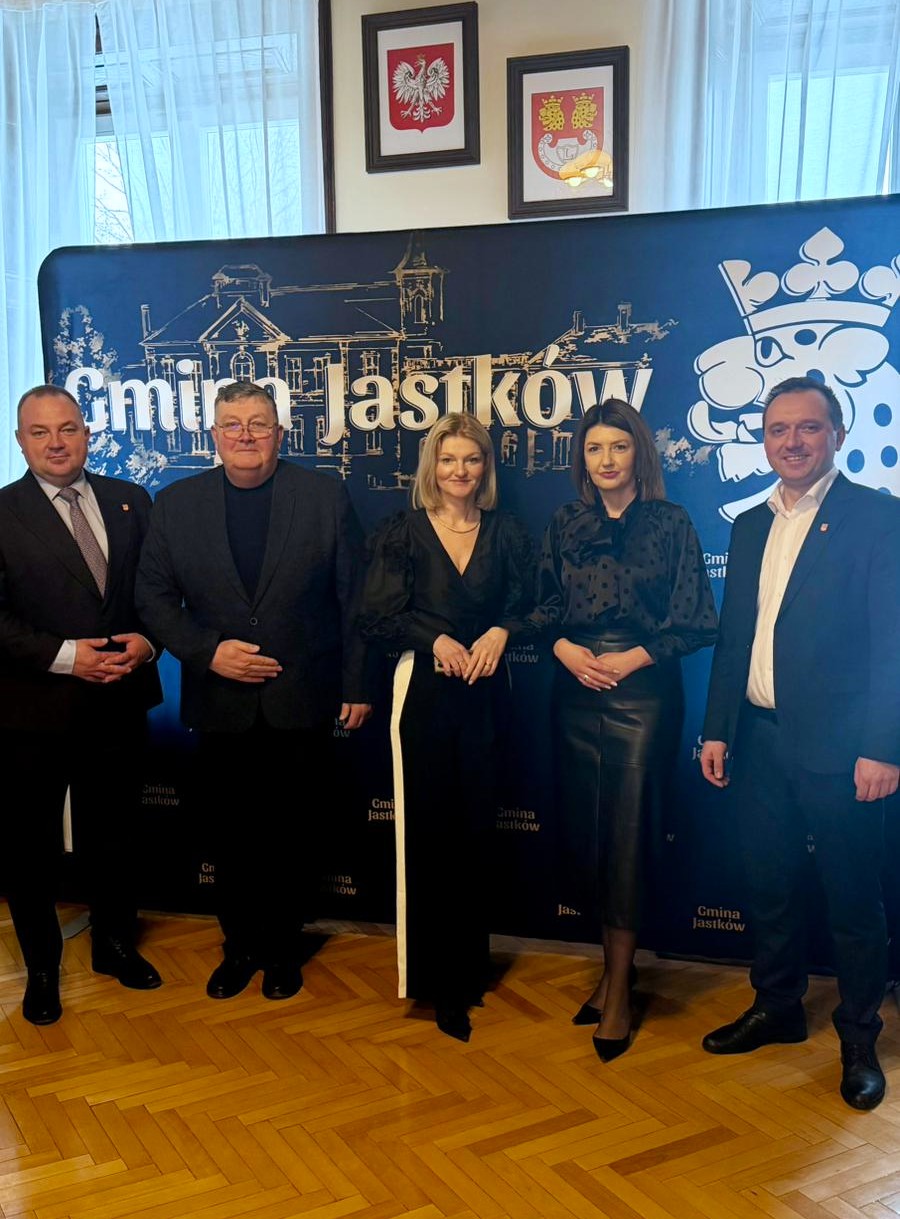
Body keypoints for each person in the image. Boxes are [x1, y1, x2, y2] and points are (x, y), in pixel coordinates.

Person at [699, 375, 900, 1111]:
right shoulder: (751, 523)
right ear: (763, 439)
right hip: (758, 739)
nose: (792, 441)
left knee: (853, 898)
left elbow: (894, 642)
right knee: (770, 884)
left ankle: (859, 1037)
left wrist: (885, 746)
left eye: (808, 427)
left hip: (845, 751)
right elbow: (734, 637)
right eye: (778, 428)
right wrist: (717, 727)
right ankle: (778, 1007)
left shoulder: (879, 517)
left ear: (837, 434)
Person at [136, 381, 371, 1002]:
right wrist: (207, 650)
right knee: (230, 834)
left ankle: (284, 950)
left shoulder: (323, 496)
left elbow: (355, 598)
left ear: (280, 433)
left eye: (259, 423)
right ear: (214, 435)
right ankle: (238, 947)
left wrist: (357, 683)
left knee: (295, 832)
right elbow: (152, 598)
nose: (245, 435)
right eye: (233, 424)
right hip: (220, 703)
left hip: (304, 698)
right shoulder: (175, 504)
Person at [529, 398, 717, 1061]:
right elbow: (540, 608)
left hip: (644, 694)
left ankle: (617, 994)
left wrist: (634, 657)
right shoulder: (565, 522)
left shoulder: (671, 521)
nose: (605, 459)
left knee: (630, 835)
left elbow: (697, 620)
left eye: (618, 446)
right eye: (593, 448)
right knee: (589, 835)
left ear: (640, 452)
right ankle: (615, 971)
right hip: (575, 690)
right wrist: (565, 650)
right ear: (581, 460)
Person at [359, 414, 534, 1042]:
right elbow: (376, 616)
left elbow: (535, 604)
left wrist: (501, 631)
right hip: (423, 697)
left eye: (472, 459)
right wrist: (433, 639)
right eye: (449, 459)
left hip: (485, 697)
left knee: (476, 835)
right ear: (431, 466)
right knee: (428, 838)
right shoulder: (401, 531)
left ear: (486, 468)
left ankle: (469, 969)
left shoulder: (507, 532)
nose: (460, 471)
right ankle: (436, 983)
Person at [0, 385, 163, 1025]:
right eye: (40, 432)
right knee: (30, 848)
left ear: (87, 434)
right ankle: (42, 969)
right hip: (31, 711)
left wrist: (149, 642)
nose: (56, 443)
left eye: (67, 428)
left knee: (115, 835)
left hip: (119, 700)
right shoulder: (2, 512)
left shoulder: (131, 500)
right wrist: (68, 656)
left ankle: (114, 946)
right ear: (20, 441)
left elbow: (157, 590)